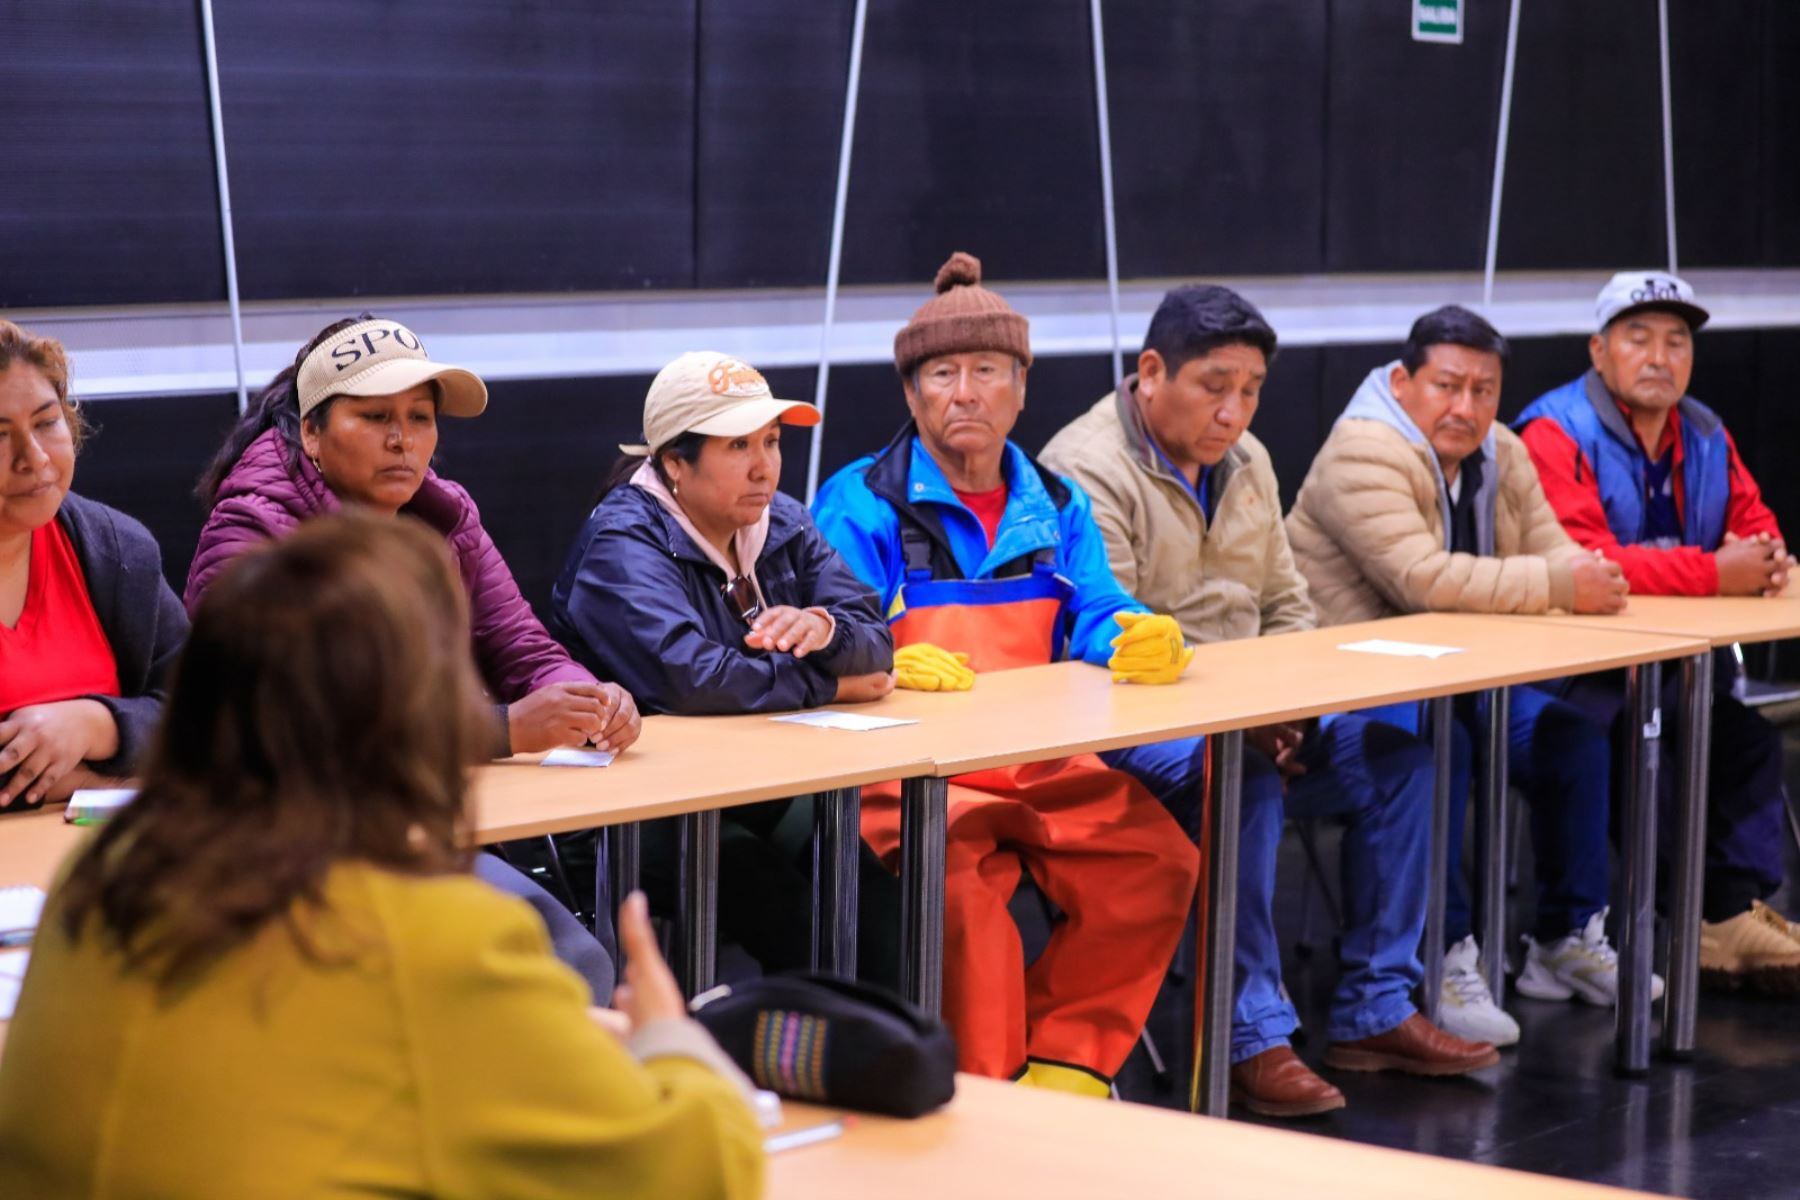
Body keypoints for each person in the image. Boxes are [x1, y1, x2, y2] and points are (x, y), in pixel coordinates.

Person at [0, 513, 764, 1199]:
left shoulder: (105, 874)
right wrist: (670, 1035)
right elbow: (699, 1170)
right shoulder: (425, 936)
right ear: (418, 716)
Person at [1041, 285, 1495, 1117]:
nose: (1234, 410)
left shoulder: (1248, 460)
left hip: (1259, 714)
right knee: (1236, 778)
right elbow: (1110, 639)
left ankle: (1376, 1008)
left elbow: (1289, 605)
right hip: (1135, 734)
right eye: (1215, 385)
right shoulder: (1083, 467)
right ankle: (1249, 1035)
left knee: (1406, 755)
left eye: (1250, 391)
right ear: (1151, 372)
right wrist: (1250, 721)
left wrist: (1298, 711)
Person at [812, 251, 1200, 1098]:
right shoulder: (859, 501)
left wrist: (1136, 633)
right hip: (912, 778)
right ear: (911, 395)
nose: (965, 392)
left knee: (1155, 857)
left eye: (987, 370)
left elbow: (1096, 607)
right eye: (942, 374)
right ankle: (988, 1100)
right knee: (965, 904)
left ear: (1021, 388)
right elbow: (834, 632)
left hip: (1040, 763)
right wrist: (879, 655)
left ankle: (1065, 1070)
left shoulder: (1056, 503)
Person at [187, 315, 626, 996]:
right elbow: (283, 726)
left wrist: (586, 697)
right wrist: (503, 729)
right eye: (374, 417)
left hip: (422, 809)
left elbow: (526, 649)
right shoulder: (252, 529)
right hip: (295, 831)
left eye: (420, 418)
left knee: (586, 952)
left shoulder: (446, 516)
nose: (402, 439)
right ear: (312, 433)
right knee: (568, 965)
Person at [1287, 305, 1647, 1046]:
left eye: (1484, 390)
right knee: (1432, 739)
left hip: (1465, 676)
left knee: (1571, 737)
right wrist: (1556, 586)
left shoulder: (1503, 452)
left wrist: (1572, 578)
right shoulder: (1364, 450)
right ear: (1401, 382)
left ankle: (1564, 939)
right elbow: (1423, 578)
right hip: (1355, 691)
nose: (1467, 407)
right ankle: (1441, 955)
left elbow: (1562, 555)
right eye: (1447, 386)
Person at [550, 350, 901, 982]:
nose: (764, 466)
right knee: (794, 918)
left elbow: (878, 641)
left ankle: (897, 1071)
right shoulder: (622, 541)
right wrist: (832, 682)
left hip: (753, 782)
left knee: (873, 906)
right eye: (737, 445)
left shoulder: (782, 522)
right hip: (634, 805)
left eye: (771, 440)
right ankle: (793, 1070)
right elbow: (694, 679)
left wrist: (824, 628)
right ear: (674, 463)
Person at [1515, 271, 1800, 994]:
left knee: (1745, 743)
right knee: (1640, 750)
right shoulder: (1553, 429)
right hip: (1576, 671)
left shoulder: (1704, 431)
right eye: (1637, 337)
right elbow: (1588, 560)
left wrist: (1765, 560)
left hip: (1680, 665)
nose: (1659, 357)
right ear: (1598, 351)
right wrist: (1715, 572)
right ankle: (1697, 917)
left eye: (1677, 342)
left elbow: (1756, 523)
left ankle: (1726, 916)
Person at [0, 320, 187, 813]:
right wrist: (84, 781)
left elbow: (207, 710)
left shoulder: (118, 551)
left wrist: (96, 725)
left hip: (93, 864)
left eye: (45, 422)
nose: (34, 458)